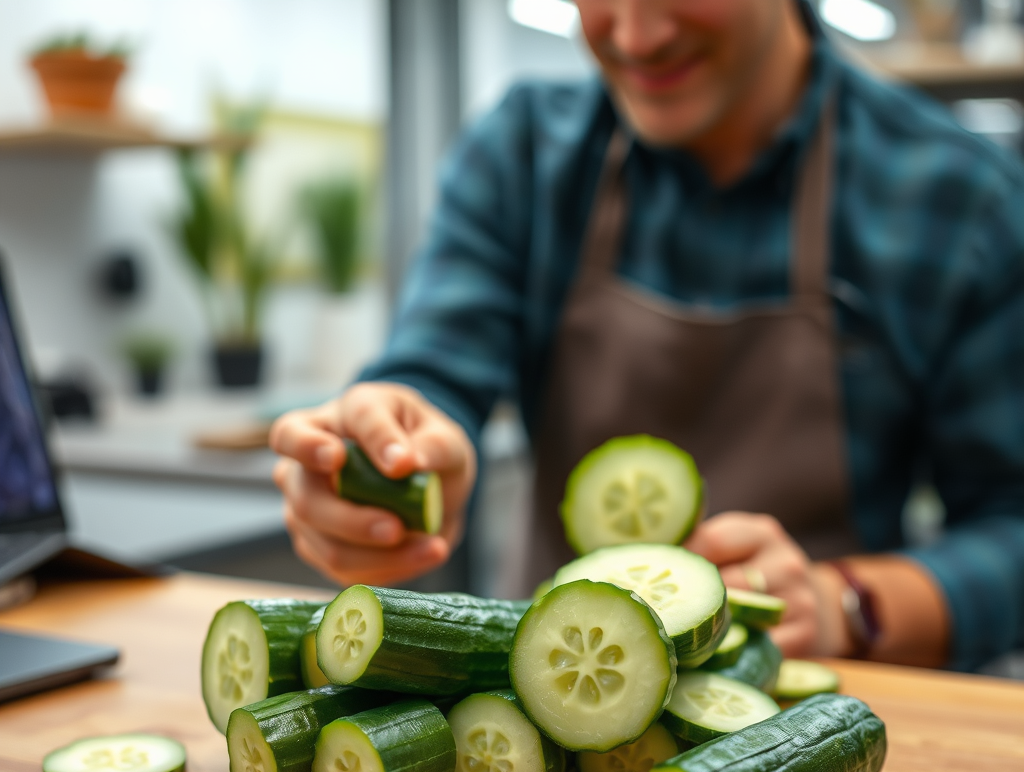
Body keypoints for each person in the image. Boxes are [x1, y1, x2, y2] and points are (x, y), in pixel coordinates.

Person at [270, 0, 1024, 673]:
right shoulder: (522, 151)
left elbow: (1011, 522)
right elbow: (434, 370)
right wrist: (394, 443)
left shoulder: (958, 198)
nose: (635, 35)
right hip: (564, 688)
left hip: (814, 719)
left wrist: (846, 604)